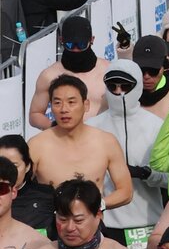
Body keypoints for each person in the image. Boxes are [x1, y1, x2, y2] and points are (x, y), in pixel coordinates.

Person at [29, 80, 134, 212]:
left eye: (71, 102)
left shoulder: (106, 141)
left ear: (86, 105)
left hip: (92, 225)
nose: (64, 109)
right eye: (57, 103)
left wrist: (95, 206)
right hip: (49, 224)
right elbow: (17, 188)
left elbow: (126, 191)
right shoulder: (37, 145)